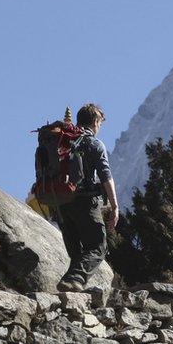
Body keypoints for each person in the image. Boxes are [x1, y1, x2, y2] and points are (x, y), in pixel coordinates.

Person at [56, 103, 118, 292]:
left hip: (61, 203)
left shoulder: (63, 141)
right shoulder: (94, 143)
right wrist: (115, 206)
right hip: (84, 201)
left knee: (77, 253)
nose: (99, 127)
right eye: (100, 123)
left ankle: (72, 290)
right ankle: (74, 279)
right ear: (95, 122)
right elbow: (106, 176)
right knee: (98, 246)